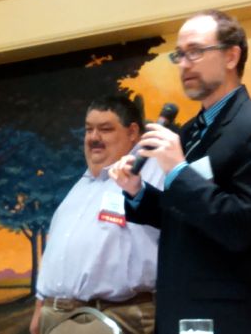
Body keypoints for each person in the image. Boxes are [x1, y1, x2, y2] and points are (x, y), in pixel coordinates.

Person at [110, 10, 251, 334]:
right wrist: (137, 191)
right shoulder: (192, 131)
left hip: (232, 319)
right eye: (179, 55)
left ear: (231, 56)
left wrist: (178, 171)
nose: (184, 64)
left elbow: (241, 226)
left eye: (195, 51)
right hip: (182, 310)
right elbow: (185, 217)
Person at [30, 95, 164, 334]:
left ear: (133, 132)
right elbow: (57, 251)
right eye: (88, 129)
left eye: (105, 129)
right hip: (55, 316)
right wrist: (40, 307)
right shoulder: (82, 185)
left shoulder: (152, 173)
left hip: (110, 314)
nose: (93, 137)